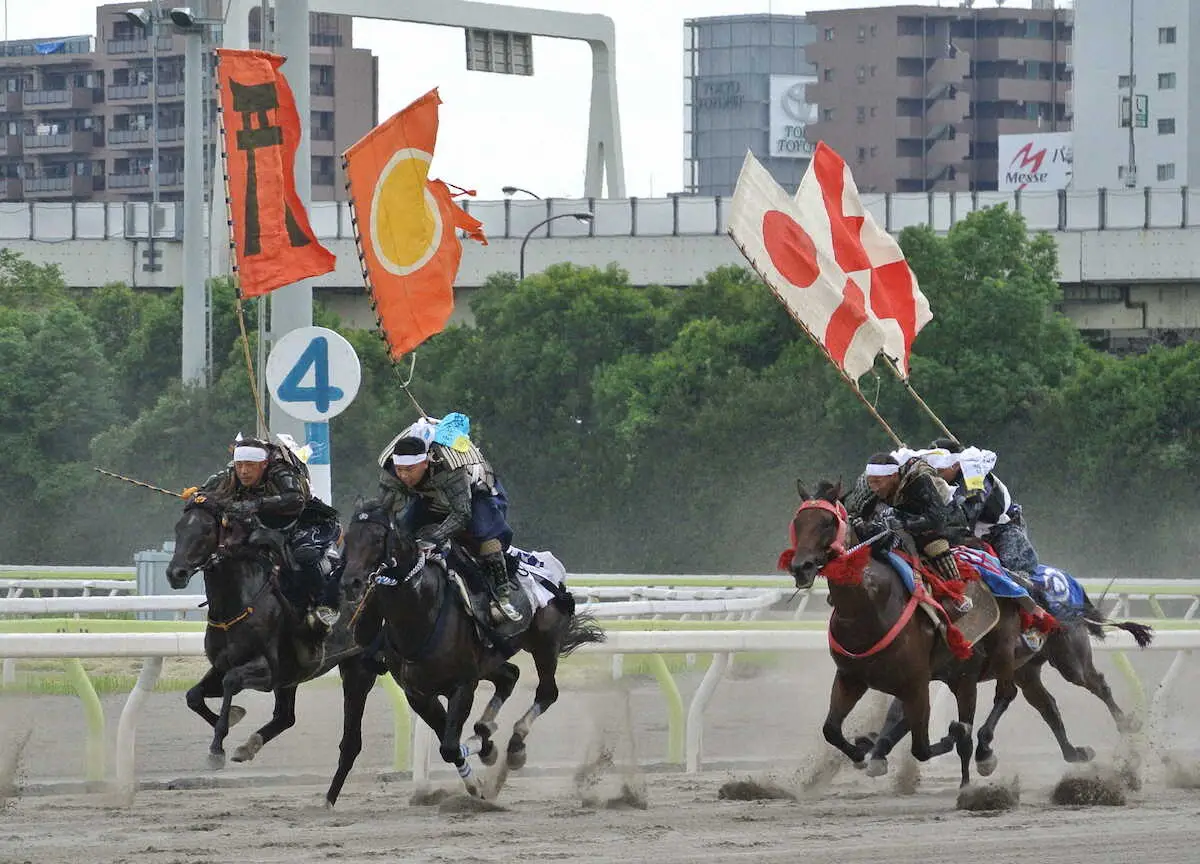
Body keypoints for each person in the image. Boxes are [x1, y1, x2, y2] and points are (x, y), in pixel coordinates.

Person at [377, 421, 521, 624]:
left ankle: (502, 596)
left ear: (425, 463)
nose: (403, 476)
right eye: (400, 470)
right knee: (402, 530)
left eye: (409, 470)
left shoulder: (451, 468)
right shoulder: (392, 471)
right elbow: (385, 508)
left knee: (486, 536)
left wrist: (434, 537)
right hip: (429, 497)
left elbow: (462, 514)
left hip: (474, 495)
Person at [195, 435, 342, 628]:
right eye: (239, 465)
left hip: (307, 520)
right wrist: (197, 497)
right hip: (267, 526)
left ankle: (325, 605)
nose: (244, 471)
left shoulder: (281, 472)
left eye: (249, 465)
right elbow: (205, 493)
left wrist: (255, 504)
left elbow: (295, 500)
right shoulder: (231, 474)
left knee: (304, 552)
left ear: (263, 464)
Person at [860, 452, 972, 589]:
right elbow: (860, 511)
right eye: (871, 482)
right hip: (910, 527)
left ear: (893, 476)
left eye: (877, 482)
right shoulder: (877, 487)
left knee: (933, 544)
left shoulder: (919, 479)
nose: (874, 488)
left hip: (946, 523)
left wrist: (901, 521)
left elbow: (937, 519)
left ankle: (958, 591)